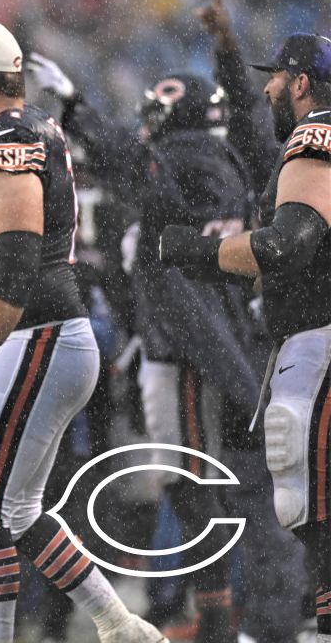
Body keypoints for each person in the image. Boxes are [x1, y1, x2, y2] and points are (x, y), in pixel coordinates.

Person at [0, 21, 165, 643]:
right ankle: (119, 624)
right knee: (17, 511)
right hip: (45, 335)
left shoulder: (6, 137)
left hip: (33, 336)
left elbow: (17, 255)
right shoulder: (31, 128)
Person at [32, 54, 258, 641]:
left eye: (159, 112)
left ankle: (216, 616)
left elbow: (134, 165)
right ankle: (215, 610)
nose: (147, 124)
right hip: (183, 339)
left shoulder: (189, 161)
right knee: (186, 481)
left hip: (187, 345)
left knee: (194, 480)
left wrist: (78, 108)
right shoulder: (215, 160)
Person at [159, 32, 331, 643]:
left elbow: (286, 246)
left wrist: (192, 250)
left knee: (305, 500)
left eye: (277, 78)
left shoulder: (317, 135)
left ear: (302, 83)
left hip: (317, 337)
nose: (267, 89)